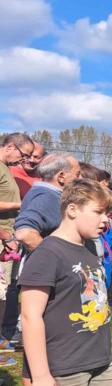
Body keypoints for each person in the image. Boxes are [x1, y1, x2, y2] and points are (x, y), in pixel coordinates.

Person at [19, 178, 112, 386]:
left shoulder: (87, 248)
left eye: (107, 213)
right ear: (72, 209)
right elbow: (30, 317)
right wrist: (41, 376)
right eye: (98, 212)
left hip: (99, 362)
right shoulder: (47, 254)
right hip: (63, 368)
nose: (105, 220)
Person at [4, 153, 81, 386]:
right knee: (40, 332)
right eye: (77, 174)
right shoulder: (46, 197)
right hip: (44, 280)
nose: (79, 178)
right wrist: (57, 258)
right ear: (61, 177)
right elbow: (25, 231)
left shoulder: (47, 195)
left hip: (47, 277)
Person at [0, 133, 33, 368]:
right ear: (10, 146)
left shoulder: (5, 168)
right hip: (4, 238)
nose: (23, 161)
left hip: (7, 239)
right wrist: (6, 235)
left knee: (5, 292)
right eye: (23, 155)